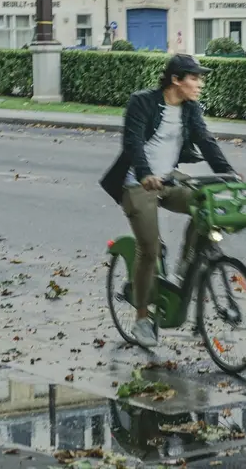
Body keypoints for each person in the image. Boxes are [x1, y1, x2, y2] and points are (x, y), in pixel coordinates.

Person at [100, 53, 238, 348]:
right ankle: (141, 318)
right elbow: (133, 142)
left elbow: (205, 140)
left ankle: (184, 267)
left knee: (206, 204)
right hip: (137, 183)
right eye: (194, 78)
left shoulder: (190, 109)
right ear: (175, 80)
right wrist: (145, 173)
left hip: (169, 179)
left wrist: (228, 173)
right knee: (149, 249)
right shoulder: (143, 102)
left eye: (200, 78)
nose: (200, 83)